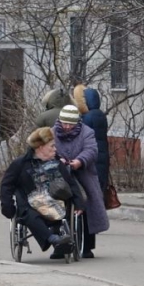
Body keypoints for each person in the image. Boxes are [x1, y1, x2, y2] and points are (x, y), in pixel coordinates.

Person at [0, 127, 86, 259]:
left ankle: (58, 241)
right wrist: (8, 208)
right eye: (51, 146)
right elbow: (6, 186)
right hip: (30, 207)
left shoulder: (57, 163)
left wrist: (79, 204)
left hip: (57, 205)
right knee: (31, 215)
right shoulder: (20, 164)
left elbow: (71, 184)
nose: (55, 149)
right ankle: (53, 239)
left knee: (61, 211)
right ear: (40, 147)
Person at [53, 105, 109, 258]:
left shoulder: (87, 132)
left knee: (87, 204)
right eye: (64, 123)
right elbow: (49, 149)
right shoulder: (53, 132)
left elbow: (92, 150)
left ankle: (87, 247)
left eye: (71, 124)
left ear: (77, 123)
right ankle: (59, 246)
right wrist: (59, 159)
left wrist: (80, 161)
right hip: (59, 174)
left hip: (83, 173)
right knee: (56, 204)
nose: (67, 127)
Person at [74, 85, 110, 190]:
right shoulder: (100, 114)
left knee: (92, 189)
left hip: (93, 159)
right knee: (100, 185)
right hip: (101, 155)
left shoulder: (88, 117)